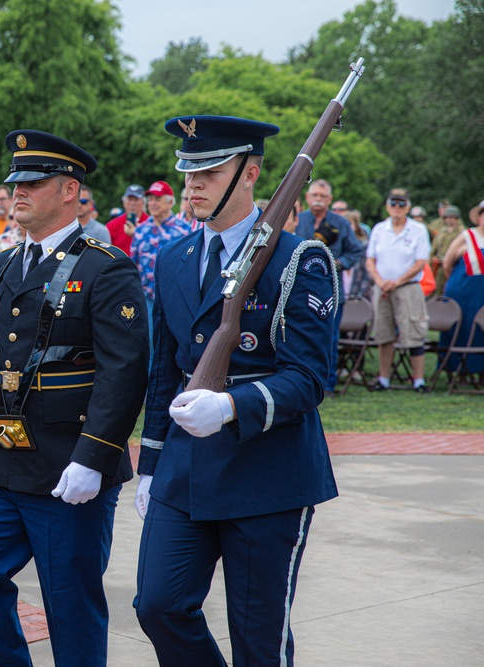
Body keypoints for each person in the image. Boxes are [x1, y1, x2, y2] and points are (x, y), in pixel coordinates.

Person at [134, 115, 338, 667]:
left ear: (249, 174)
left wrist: (230, 405)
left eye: (209, 171)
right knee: (158, 605)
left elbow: (310, 379)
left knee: (257, 640)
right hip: (185, 470)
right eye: (187, 171)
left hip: (267, 473)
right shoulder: (173, 258)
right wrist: (150, 463)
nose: (191, 184)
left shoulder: (299, 259)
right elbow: (164, 372)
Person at [0, 130, 148, 666]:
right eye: (16, 183)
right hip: (2, 464)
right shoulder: (4, 263)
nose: (19, 193)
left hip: (68, 468)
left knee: (69, 603)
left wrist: (94, 455)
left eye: (33, 183)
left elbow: (123, 373)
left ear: (69, 191)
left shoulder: (106, 267)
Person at [294, 179, 365, 395]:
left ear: (330, 199)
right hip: (297, 291)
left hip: (331, 291)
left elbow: (356, 251)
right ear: (307, 197)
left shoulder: (340, 223)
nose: (318, 199)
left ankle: (327, 384)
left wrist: (338, 264)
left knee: (328, 338)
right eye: (314, 195)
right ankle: (299, 383)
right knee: (297, 337)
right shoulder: (297, 220)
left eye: (322, 196)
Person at [365, 188, 431, 392]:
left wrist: (397, 282)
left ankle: (418, 380)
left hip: (408, 287)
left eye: (402, 204)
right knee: (383, 333)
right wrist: (380, 281)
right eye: (393, 203)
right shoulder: (379, 229)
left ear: (408, 207)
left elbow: (420, 263)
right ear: (387, 206)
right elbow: (370, 260)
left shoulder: (418, 229)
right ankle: (383, 378)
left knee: (414, 332)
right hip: (382, 287)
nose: (397, 208)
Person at [130, 180, 191, 360]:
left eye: (157, 199)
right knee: (150, 349)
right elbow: (132, 266)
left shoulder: (184, 230)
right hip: (147, 300)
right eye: (150, 199)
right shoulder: (140, 231)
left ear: (170, 202)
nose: (152, 203)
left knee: (178, 347)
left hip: (176, 300)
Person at [439, 199, 484, 375]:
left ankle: (481, 371)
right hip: (465, 289)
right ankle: (459, 369)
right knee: (463, 328)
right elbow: (447, 262)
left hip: (482, 292)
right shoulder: (467, 236)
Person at [430, 205, 465, 296]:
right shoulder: (442, 231)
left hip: (454, 266)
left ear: (456, 218)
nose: (449, 220)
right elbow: (434, 248)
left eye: (452, 217)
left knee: (453, 290)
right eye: (447, 217)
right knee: (437, 291)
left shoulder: (462, 232)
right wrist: (431, 260)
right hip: (439, 266)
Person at [106, 183, 149, 254]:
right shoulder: (112, 225)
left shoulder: (150, 223)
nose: (132, 203)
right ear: (124, 202)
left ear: (143, 202)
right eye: (130, 199)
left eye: (136, 200)